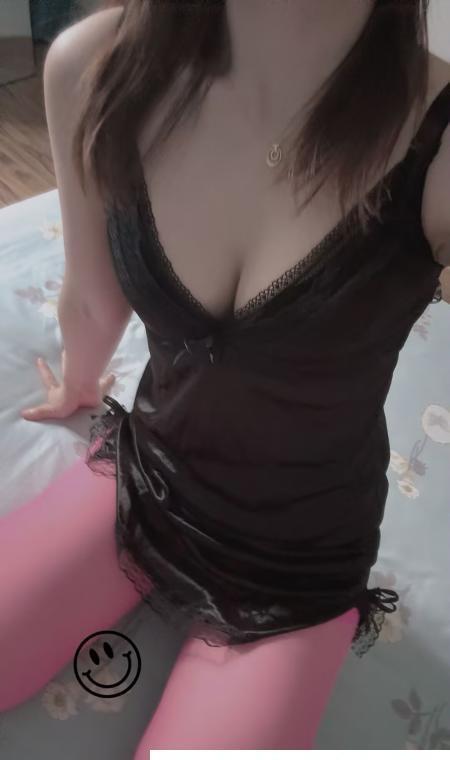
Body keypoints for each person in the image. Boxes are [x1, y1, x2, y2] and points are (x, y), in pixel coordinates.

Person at [1, 0, 449, 751]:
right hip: (148, 477)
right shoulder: (94, 65)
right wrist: (79, 385)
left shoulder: (436, 143)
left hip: (300, 560)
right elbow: (93, 297)